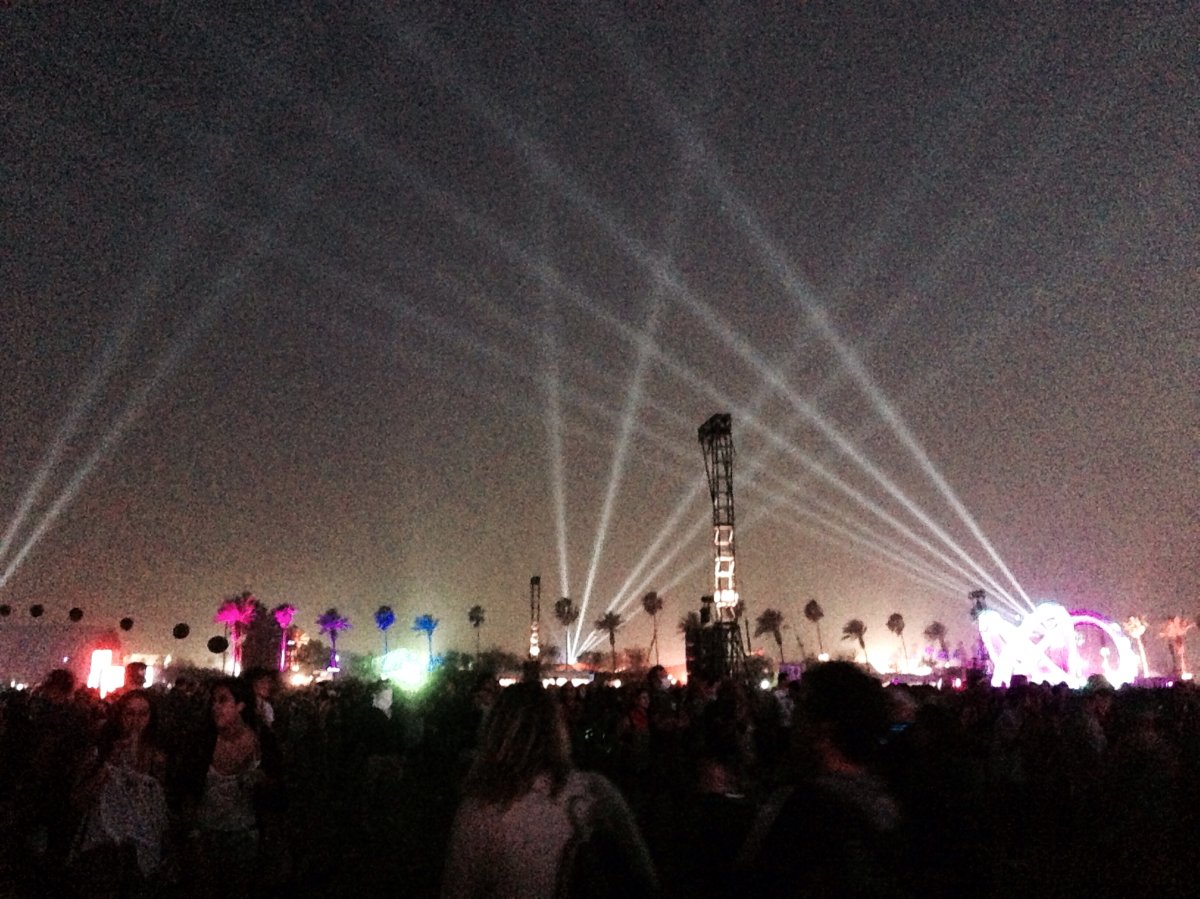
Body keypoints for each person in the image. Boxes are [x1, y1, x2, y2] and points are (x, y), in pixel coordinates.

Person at [442, 681, 657, 898]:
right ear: (557, 729)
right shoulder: (597, 790)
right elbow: (643, 874)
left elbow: (458, 890)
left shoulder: (481, 810)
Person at [739, 662, 909, 897]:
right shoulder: (888, 797)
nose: (792, 718)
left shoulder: (804, 808)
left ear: (823, 729)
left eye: (800, 706)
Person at [71, 689, 170, 892]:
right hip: (103, 846)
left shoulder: (158, 756)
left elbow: (162, 806)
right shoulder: (100, 750)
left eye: (143, 714)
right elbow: (78, 799)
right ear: (120, 716)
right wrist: (109, 765)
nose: (136, 721)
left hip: (142, 847)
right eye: (130, 714)